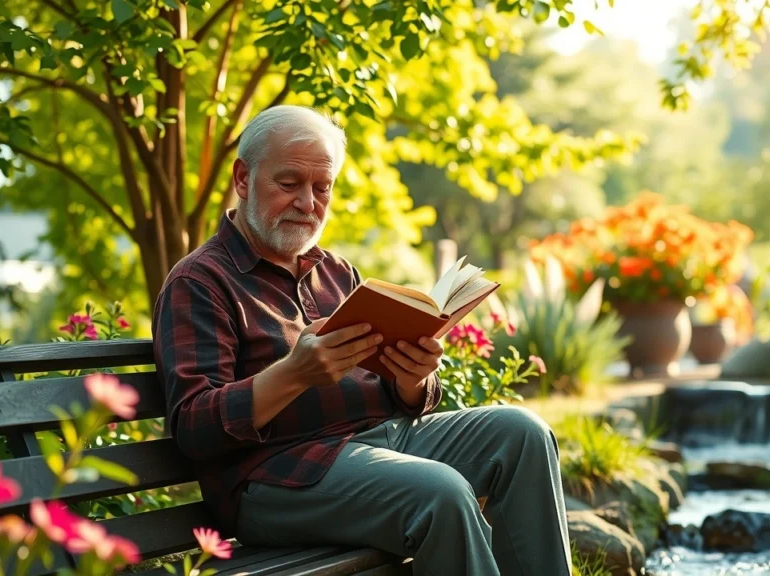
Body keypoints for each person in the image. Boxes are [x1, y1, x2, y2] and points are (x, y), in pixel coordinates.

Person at [151, 105, 572, 576]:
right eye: (289, 184)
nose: (308, 203)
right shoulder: (200, 282)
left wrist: (413, 379)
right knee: (442, 493)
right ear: (244, 179)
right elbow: (192, 427)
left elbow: (394, 394)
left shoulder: (336, 272)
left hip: (377, 445)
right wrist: (293, 374)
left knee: (523, 434)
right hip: (276, 479)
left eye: (322, 188)